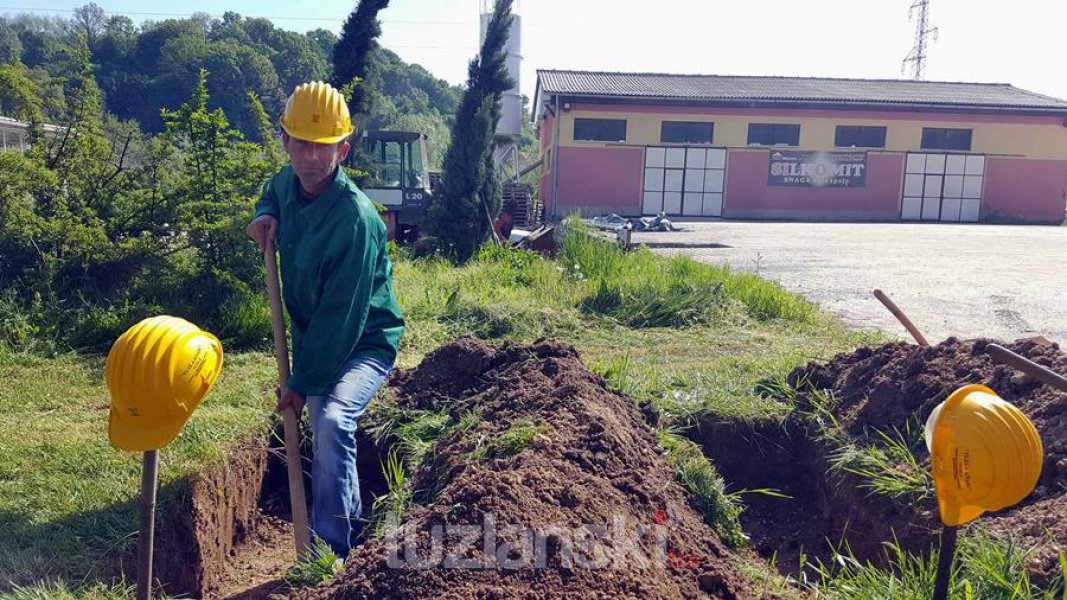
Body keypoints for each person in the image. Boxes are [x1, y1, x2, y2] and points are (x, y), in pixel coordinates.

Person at [245, 81, 405, 558]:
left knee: (333, 421)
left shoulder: (355, 218)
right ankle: (348, 527)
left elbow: (344, 318)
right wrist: (264, 214)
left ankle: (330, 553)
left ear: (343, 148)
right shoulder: (286, 183)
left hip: (364, 340)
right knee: (325, 430)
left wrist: (301, 380)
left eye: (324, 146)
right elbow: (270, 191)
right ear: (286, 142)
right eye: (302, 144)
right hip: (319, 335)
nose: (312, 157)